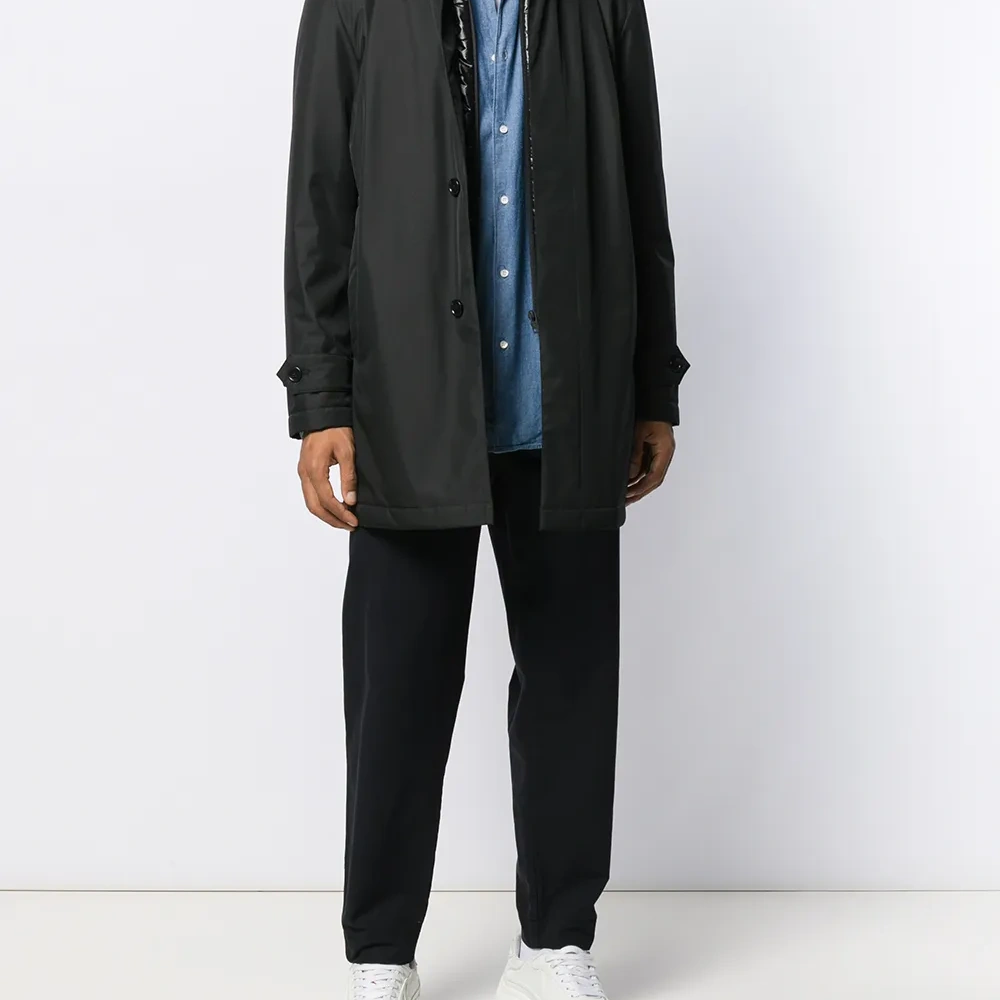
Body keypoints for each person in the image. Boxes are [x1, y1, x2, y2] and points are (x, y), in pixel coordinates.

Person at [277, 0, 689, 996]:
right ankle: (381, 950)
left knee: (570, 685)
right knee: (396, 691)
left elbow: (642, 194)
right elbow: (321, 200)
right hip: (409, 411)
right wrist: (322, 398)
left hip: (569, 409)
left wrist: (651, 386)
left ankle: (555, 942)